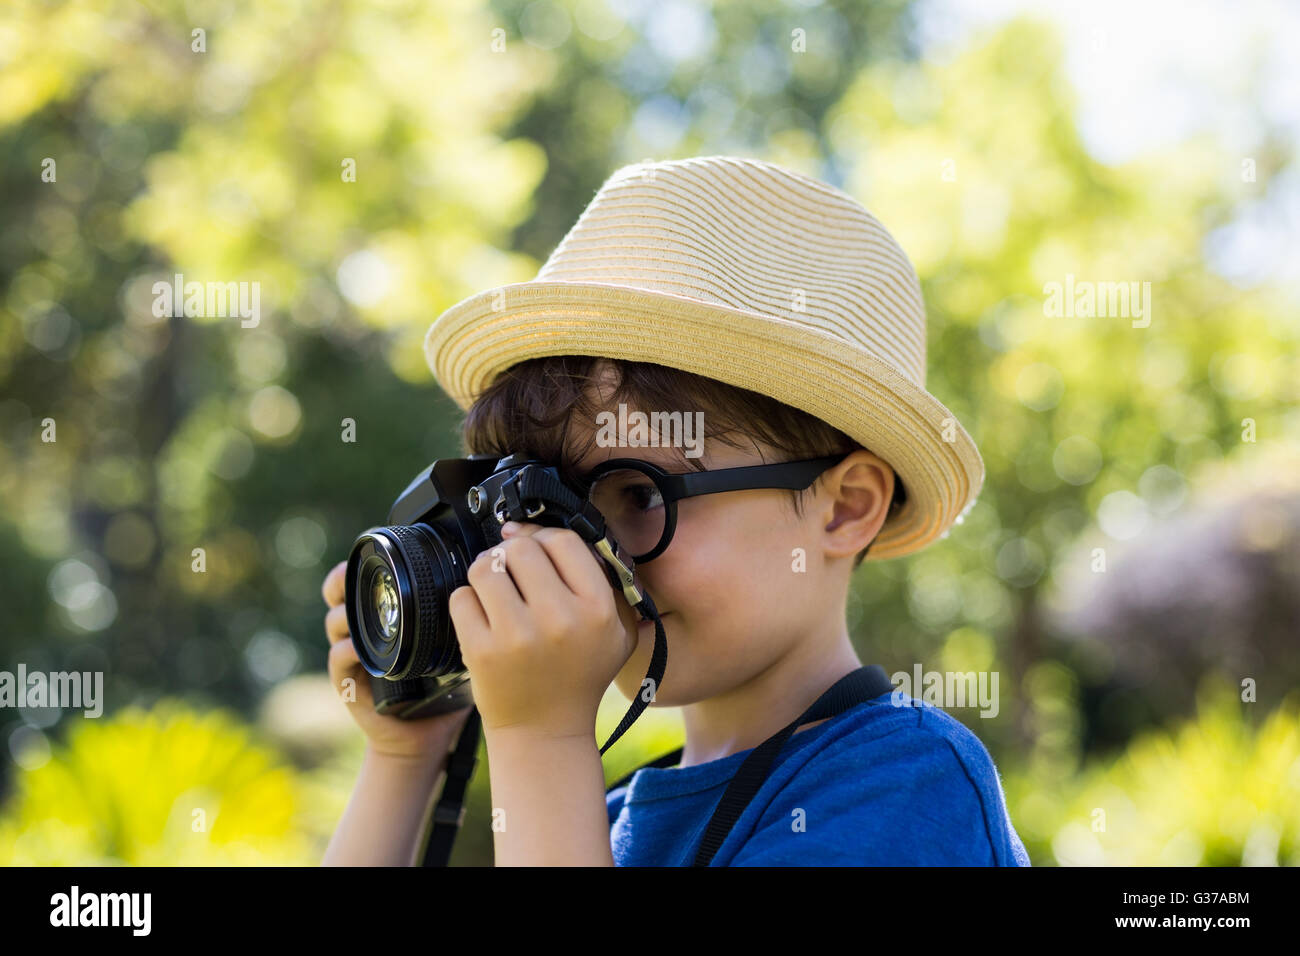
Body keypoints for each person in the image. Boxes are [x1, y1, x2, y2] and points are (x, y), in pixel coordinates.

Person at [323, 155, 1030, 866]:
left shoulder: (906, 786)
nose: (578, 556)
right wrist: (406, 750)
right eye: (548, 505)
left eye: (637, 495)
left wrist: (538, 738)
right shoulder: (599, 821)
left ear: (845, 508)